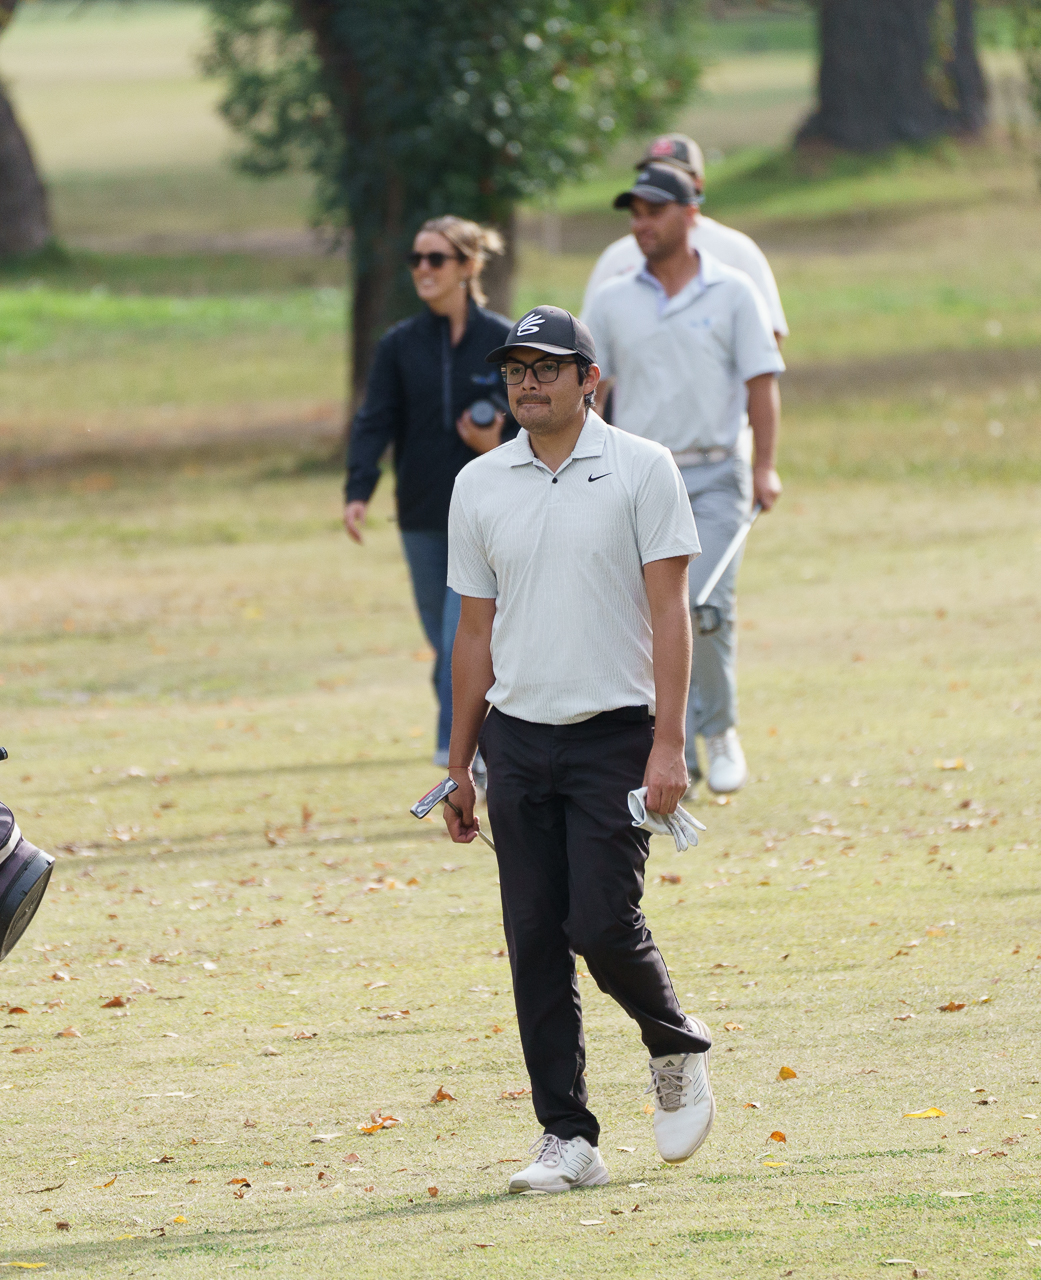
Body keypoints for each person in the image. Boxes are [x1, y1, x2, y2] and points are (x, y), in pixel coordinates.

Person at [443, 304, 716, 1194]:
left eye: (546, 368)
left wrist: (670, 744)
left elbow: (671, 613)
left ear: (587, 380)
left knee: (599, 924)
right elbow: (474, 632)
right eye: (515, 369)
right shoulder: (479, 484)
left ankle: (674, 1043)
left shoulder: (643, 468)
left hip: (615, 736)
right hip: (518, 740)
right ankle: (568, 1136)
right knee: (534, 942)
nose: (527, 383)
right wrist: (459, 763)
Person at [585, 164, 786, 797]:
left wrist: (764, 466)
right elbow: (591, 391)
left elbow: (761, 383)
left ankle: (719, 732)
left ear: (691, 212)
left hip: (716, 470)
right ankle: (671, 749)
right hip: (639, 476)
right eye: (635, 213)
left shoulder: (734, 291)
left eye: (654, 211)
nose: (641, 224)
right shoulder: (612, 298)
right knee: (643, 616)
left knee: (705, 605)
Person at [343, 216, 513, 771]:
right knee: (447, 644)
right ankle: (486, 741)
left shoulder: (504, 341)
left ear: (468, 266)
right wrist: (359, 488)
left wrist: (493, 443)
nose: (422, 268)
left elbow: (534, 426)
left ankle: (456, 755)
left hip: (487, 518)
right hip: (420, 515)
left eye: (435, 258)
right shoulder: (399, 345)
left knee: (463, 633)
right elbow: (375, 420)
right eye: (416, 258)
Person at [580, 133, 788, 346]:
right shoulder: (617, 258)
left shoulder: (737, 250)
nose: (659, 180)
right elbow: (589, 342)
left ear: (698, 183)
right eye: (652, 172)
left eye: (672, 173)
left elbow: (769, 336)